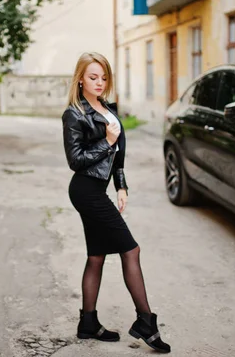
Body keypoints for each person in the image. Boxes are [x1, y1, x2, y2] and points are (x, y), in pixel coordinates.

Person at [61, 52, 171, 353]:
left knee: (97, 256)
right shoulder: (74, 113)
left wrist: (121, 187)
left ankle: (88, 323)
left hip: (100, 190)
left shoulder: (106, 108)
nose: (99, 82)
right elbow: (76, 160)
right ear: (80, 78)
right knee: (131, 250)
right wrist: (106, 142)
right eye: (93, 77)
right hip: (85, 190)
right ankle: (145, 321)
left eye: (104, 77)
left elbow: (117, 156)